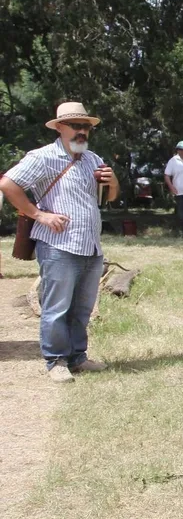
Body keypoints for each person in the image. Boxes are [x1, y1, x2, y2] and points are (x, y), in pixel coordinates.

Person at [0, 101, 120, 383]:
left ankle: (78, 357)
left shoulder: (92, 158)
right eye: (75, 126)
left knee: (82, 307)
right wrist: (38, 214)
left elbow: (110, 198)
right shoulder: (42, 157)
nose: (82, 131)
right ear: (60, 128)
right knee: (56, 308)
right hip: (58, 245)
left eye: (86, 126)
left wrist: (113, 183)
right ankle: (56, 361)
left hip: (90, 245)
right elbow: (8, 184)